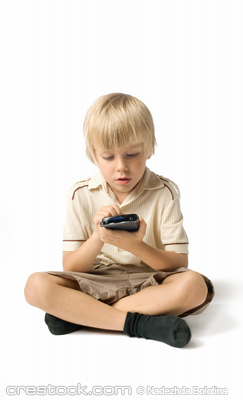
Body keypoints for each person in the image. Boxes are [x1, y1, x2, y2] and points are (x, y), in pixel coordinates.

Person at [24, 93, 214, 348]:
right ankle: (141, 324)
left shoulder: (165, 192)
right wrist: (97, 237)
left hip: (150, 280)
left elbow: (178, 264)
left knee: (194, 286)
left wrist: (135, 245)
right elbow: (72, 267)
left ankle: (82, 315)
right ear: (93, 154)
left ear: (148, 149)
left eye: (132, 154)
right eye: (108, 157)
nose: (121, 167)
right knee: (36, 286)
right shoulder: (79, 194)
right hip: (97, 280)